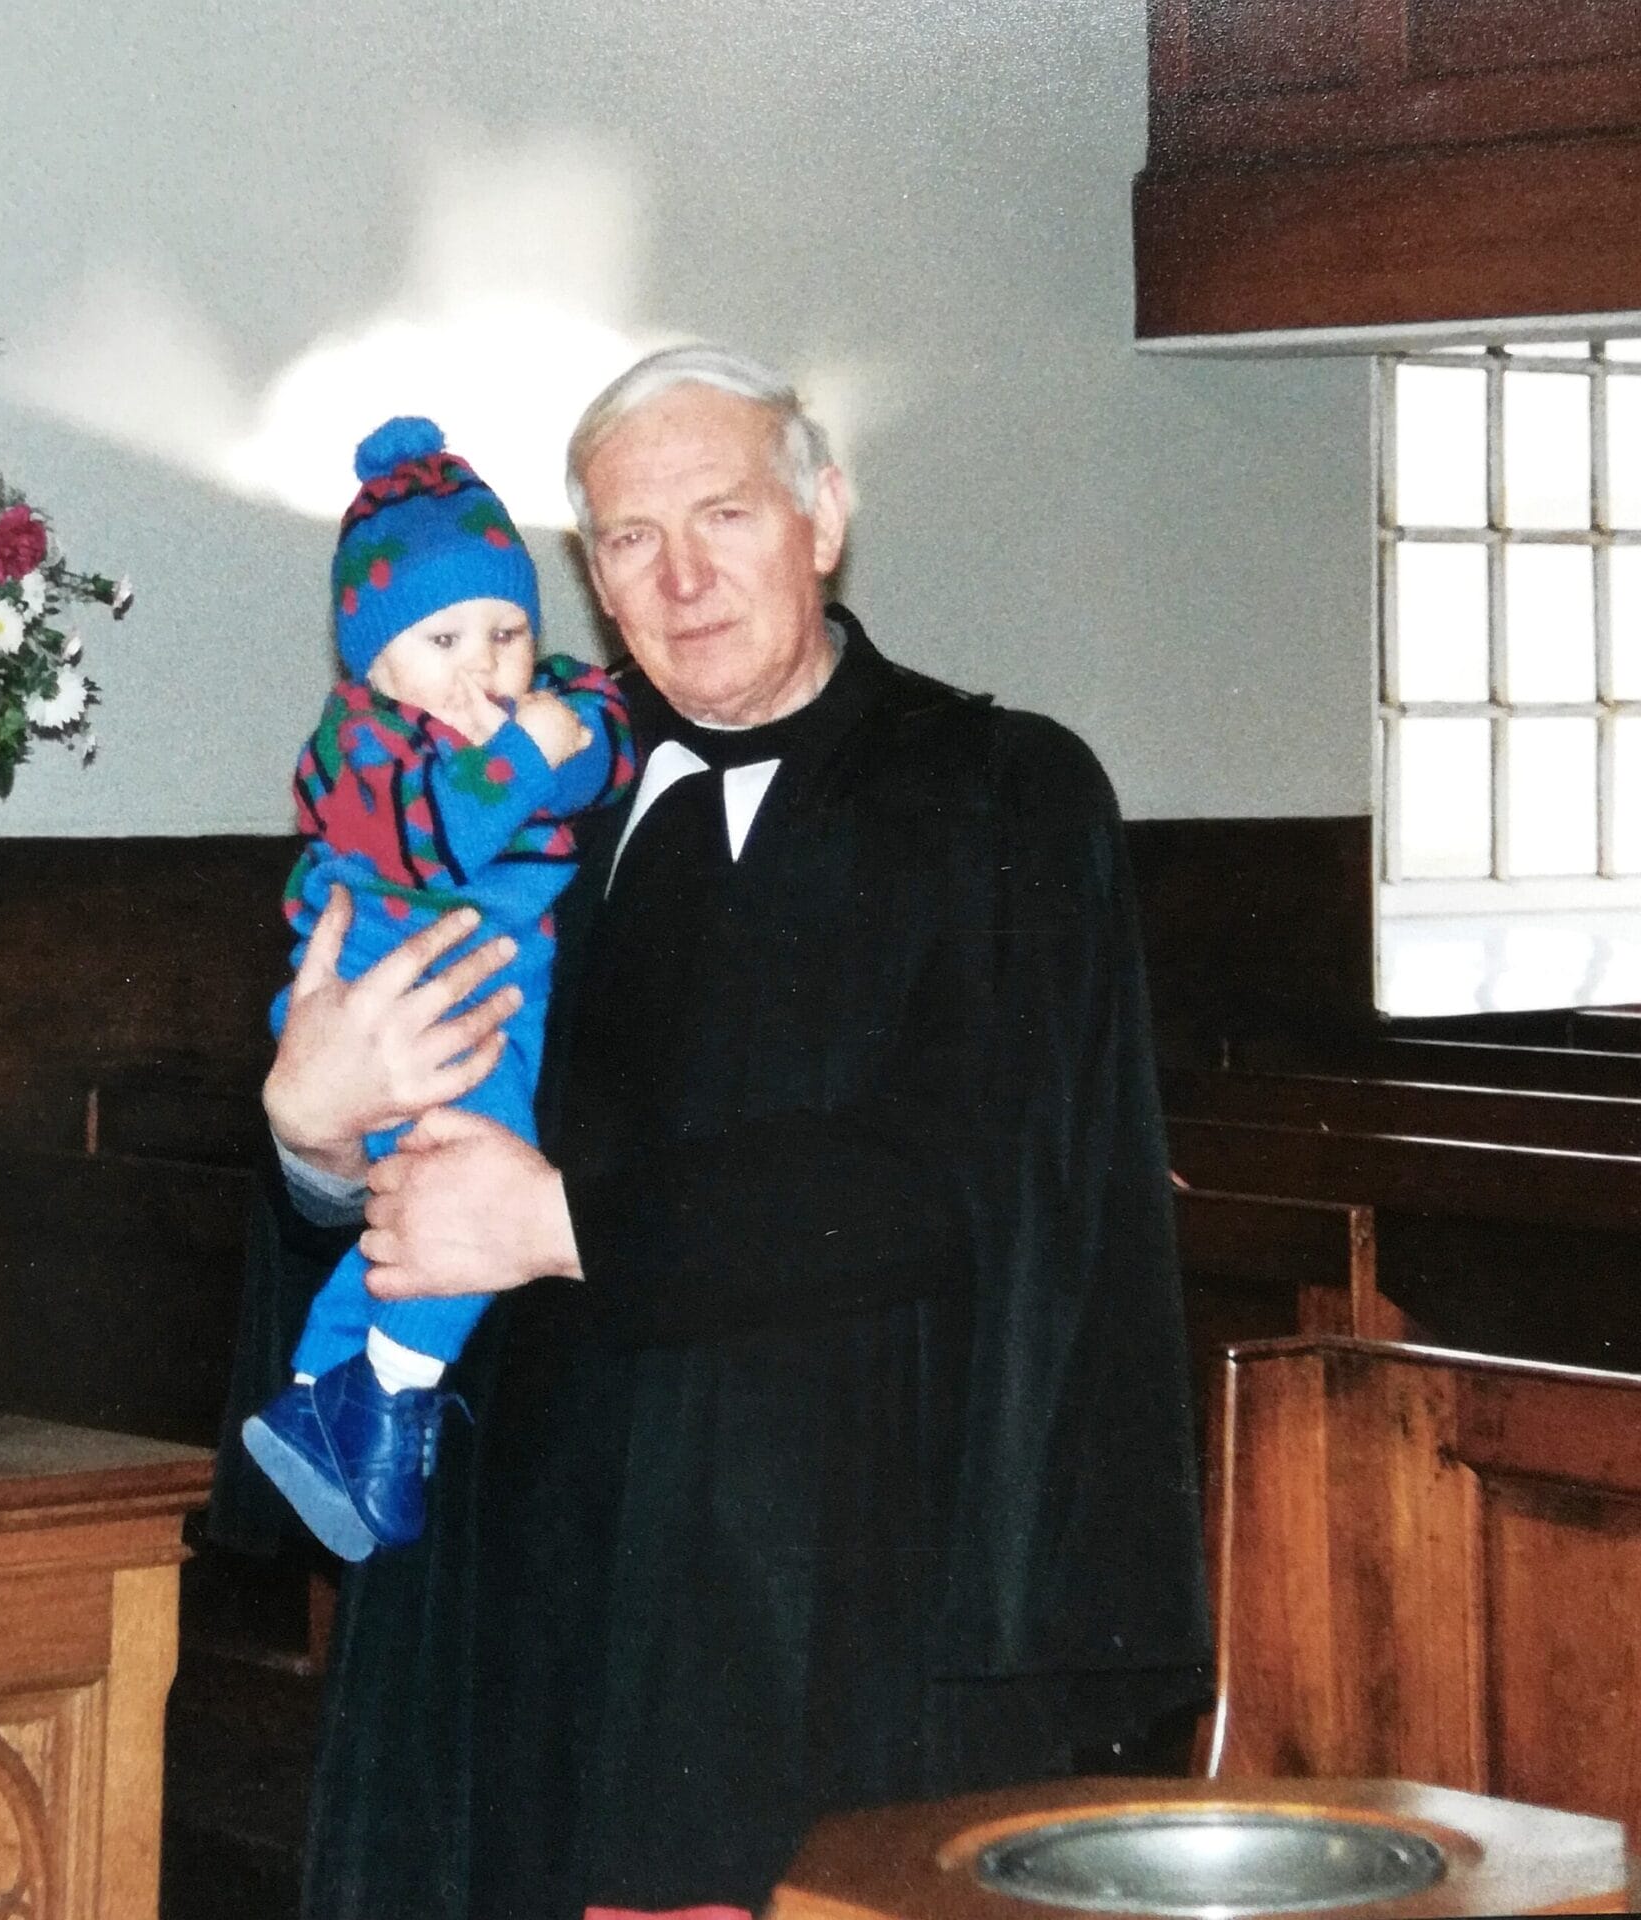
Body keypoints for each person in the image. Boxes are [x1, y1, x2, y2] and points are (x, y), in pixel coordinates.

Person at [224, 344, 1211, 1919]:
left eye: (726, 516)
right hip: (525, 1602)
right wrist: (311, 1142)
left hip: (843, 1590)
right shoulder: (527, 801)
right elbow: (380, 1140)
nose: (678, 581)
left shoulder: (998, 792)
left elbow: (970, 1174)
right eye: (627, 540)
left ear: (823, 517)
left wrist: (566, 1225)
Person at [241, 414, 634, 1562]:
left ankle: (322, 1386)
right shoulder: (355, 745)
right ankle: (392, 1398)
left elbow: (614, 731)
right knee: (467, 1175)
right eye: (443, 638)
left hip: (475, 994)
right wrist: (538, 743)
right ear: (371, 663)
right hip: (385, 987)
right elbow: (446, 829)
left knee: (417, 1197)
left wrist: (573, 723)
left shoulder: (543, 698)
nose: (482, 671)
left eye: (508, 633)